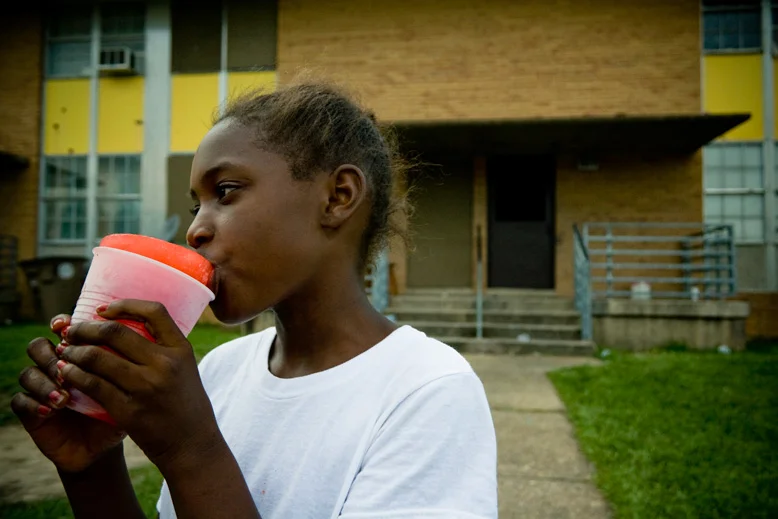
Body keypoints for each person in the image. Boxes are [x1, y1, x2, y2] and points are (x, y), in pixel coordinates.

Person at [12, 81, 498, 519]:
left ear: (338, 197)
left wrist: (191, 449)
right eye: (195, 204)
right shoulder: (221, 370)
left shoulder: (427, 390)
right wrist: (92, 468)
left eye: (225, 191)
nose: (195, 228)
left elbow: (196, 461)